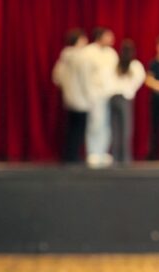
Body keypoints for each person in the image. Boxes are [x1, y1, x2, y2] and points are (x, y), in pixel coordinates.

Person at [80, 26, 118, 167]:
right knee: (95, 123)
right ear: (100, 37)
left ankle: (103, 151)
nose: (111, 39)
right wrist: (87, 92)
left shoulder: (111, 53)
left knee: (106, 124)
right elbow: (84, 74)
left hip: (109, 94)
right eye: (108, 36)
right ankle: (93, 152)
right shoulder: (88, 52)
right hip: (94, 93)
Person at [52, 28, 89, 163]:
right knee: (79, 128)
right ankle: (74, 155)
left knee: (71, 127)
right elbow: (85, 79)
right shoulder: (80, 58)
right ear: (78, 41)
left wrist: (67, 87)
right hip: (81, 98)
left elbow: (56, 77)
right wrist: (89, 93)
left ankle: (69, 154)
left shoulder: (64, 57)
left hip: (68, 97)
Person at [108, 39, 146, 164]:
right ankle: (125, 158)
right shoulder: (135, 65)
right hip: (125, 98)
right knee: (125, 129)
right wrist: (130, 91)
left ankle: (115, 157)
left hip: (113, 97)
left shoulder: (116, 64)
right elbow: (139, 79)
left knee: (114, 129)